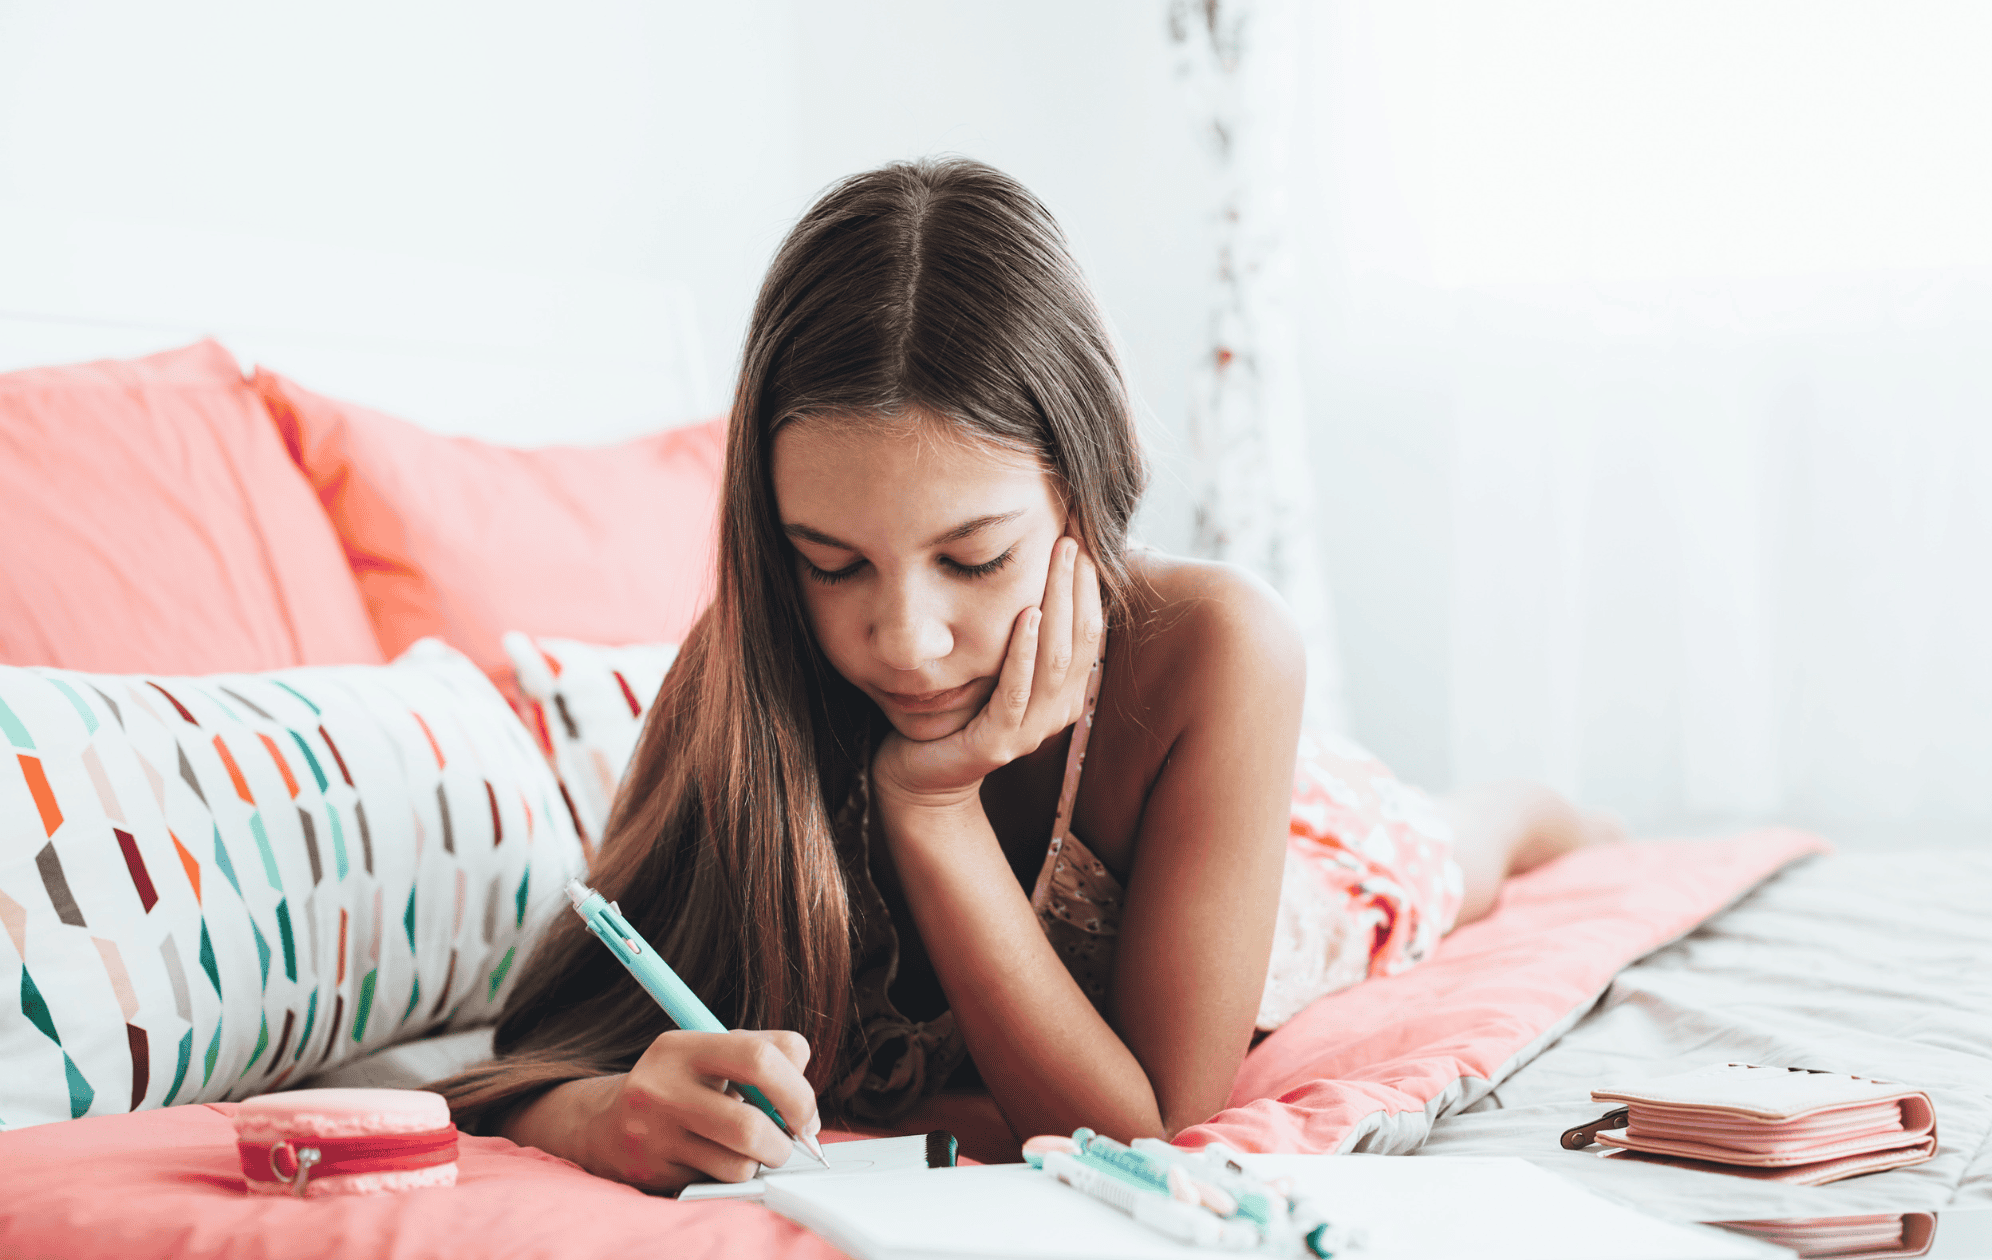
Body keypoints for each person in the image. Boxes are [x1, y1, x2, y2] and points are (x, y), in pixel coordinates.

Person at [436, 157, 1615, 1189]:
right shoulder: (748, 671)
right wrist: (604, 1114)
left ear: (1083, 489)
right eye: (832, 564)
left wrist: (931, 808)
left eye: (975, 558)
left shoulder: (1218, 646)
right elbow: (538, 1052)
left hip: (1304, 849)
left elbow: (1144, 1128)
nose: (905, 640)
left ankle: (1550, 812)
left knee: (1446, 848)